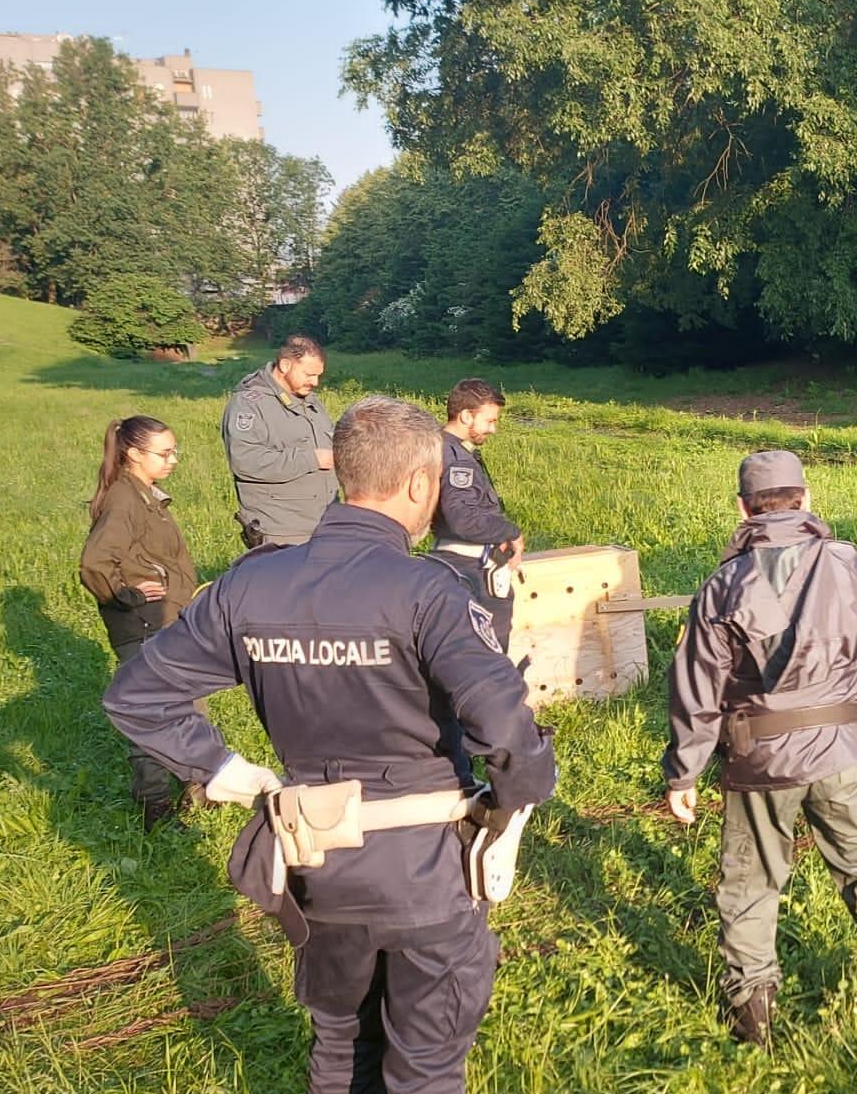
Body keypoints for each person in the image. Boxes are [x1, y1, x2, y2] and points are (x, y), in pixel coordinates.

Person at [102, 396, 557, 1093]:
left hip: (320, 872)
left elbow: (135, 694)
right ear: (418, 485)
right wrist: (510, 805)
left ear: (344, 474)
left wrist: (223, 769)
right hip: (427, 877)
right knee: (426, 1065)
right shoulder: (429, 591)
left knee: (341, 1052)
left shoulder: (250, 584)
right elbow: (505, 724)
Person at [664, 451, 857, 1053]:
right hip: (844, 747)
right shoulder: (849, 562)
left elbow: (695, 684)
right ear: (806, 499)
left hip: (758, 756)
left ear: (743, 508)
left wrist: (683, 771)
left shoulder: (722, 585)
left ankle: (752, 1016)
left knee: (750, 884)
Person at [78, 415, 200, 831]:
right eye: (164, 453)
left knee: (186, 704)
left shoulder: (145, 494)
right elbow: (95, 562)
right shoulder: (125, 499)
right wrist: (124, 595)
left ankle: (196, 786)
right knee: (151, 713)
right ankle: (155, 805)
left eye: (174, 451)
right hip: (145, 626)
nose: (173, 460)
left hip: (166, 620)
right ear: (133, 454)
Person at [431, 378, 524, 650]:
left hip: (449, 561)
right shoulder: (457, 459)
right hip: (473, 569)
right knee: (489, 652)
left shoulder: (438, 446)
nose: (493, 429)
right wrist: (510, 531)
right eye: (490, 421)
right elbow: (464, 518)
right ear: (465, 416)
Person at [223, 334, 336, 548]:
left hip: (320, 524)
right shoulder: (249, 404)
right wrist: (312, 459)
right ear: (285, 365)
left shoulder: (308, 400)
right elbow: (245, 461)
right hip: (281, 531)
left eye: (318, 375)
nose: (315, 382)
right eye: (309, 374)